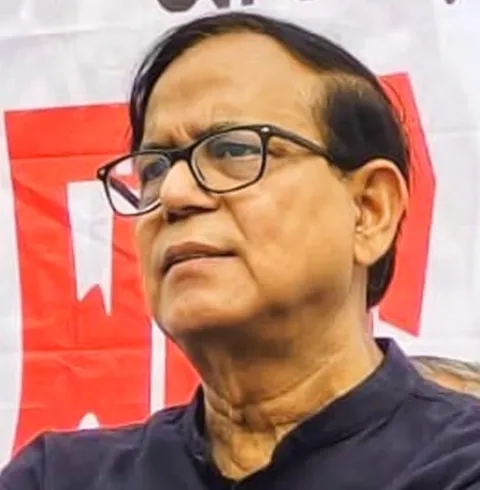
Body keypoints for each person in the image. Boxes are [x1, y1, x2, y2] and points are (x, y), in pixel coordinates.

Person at [3, 11, 480, 490]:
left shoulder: (458, 463)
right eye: (153, 170)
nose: (173, 194)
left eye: (233, 151)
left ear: (368, 209)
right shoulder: (59, 476)